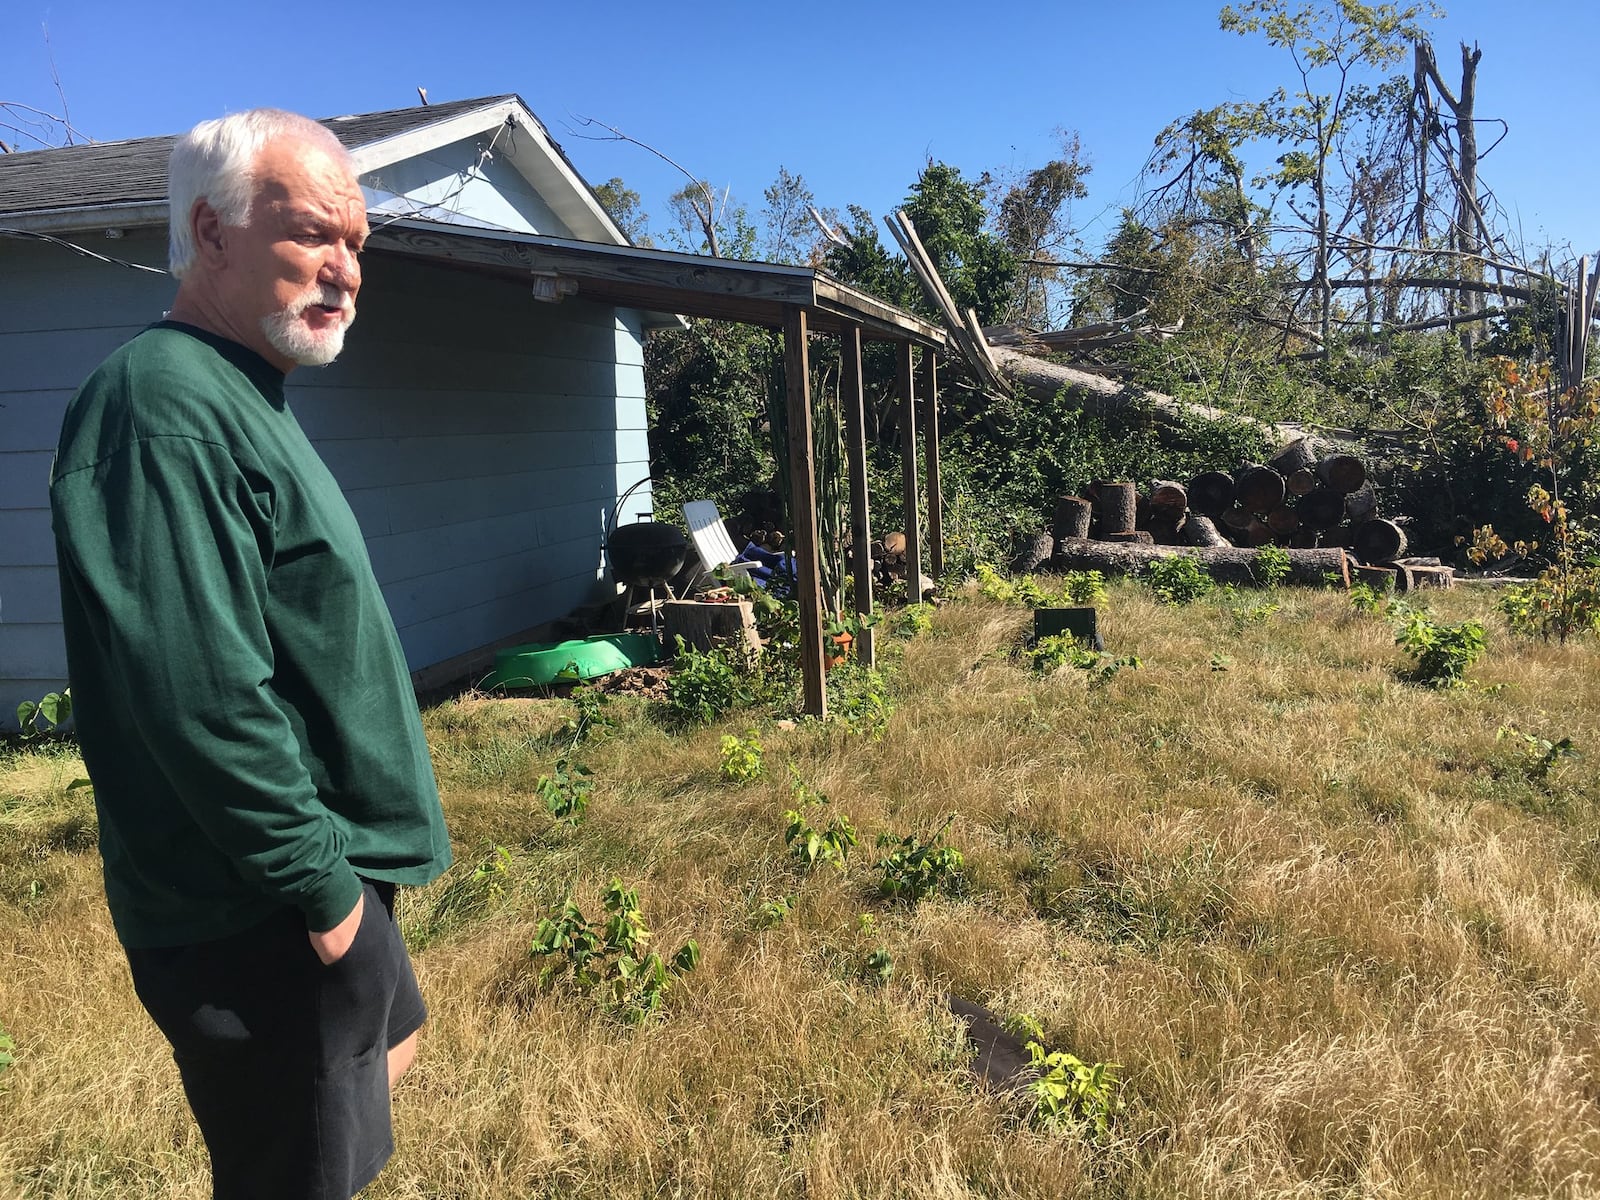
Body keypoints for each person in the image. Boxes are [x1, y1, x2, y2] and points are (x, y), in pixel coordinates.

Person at [49, 108, 452, 1199]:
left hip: (311, 888)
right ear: (211, 233)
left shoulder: (243, 391)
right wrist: (327, 902)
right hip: (257, 913)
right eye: (314, 234)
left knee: (377, 1074)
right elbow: (202, 697)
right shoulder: (162, 405)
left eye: (357, 243)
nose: (344, 269)